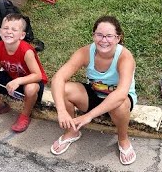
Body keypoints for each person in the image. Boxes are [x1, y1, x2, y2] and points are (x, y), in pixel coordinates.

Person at [49, 17, 138, 165]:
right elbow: (58, 78)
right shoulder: (85, 52)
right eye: (99, 35)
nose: (104, 40)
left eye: (109, 36)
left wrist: (88, 116)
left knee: (120, 104)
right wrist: (61, 111)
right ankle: (72, 131)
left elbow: (121, 93)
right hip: (95, 95)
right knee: (64, 89)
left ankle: (123, 139)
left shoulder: (125, 57)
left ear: (118, 38)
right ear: (93, 35)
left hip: (119, 100)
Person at [0, 13, 46, 134]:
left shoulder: (26, 51)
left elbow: (37, 75)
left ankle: (25, 115)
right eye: (6, 28)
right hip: (11, 77)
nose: (9, 32)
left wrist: (18, 81)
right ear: (0, 30)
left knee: (31, 89)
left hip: (28, 81)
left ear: (22, 35)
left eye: (14, 29)